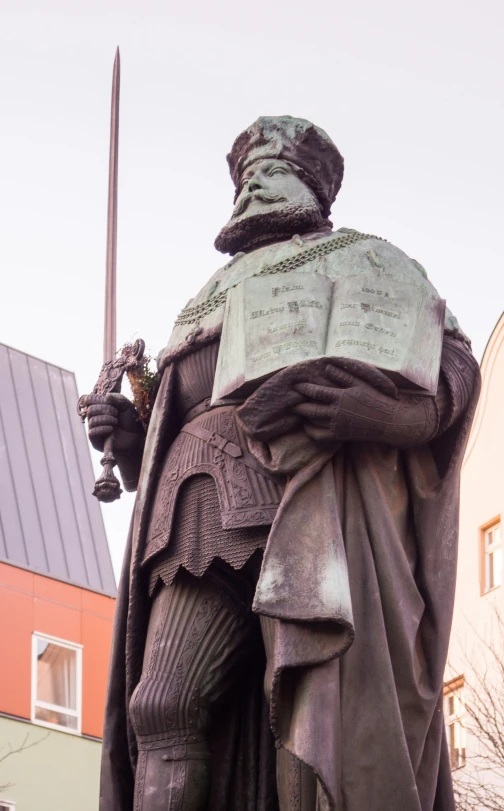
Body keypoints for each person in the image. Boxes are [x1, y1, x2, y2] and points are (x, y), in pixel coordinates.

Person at [87, 117, 480, 811]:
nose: (255, 184)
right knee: (163, 705)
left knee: (311, 714)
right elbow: (170, 422)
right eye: (247, 173)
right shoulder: (203, 297)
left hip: (313, 502)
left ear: (314, 186)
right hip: (194, 512)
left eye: (273, 168)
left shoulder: (366, 260)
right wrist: (129, 438)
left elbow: (449, 361)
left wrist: (395, 416)